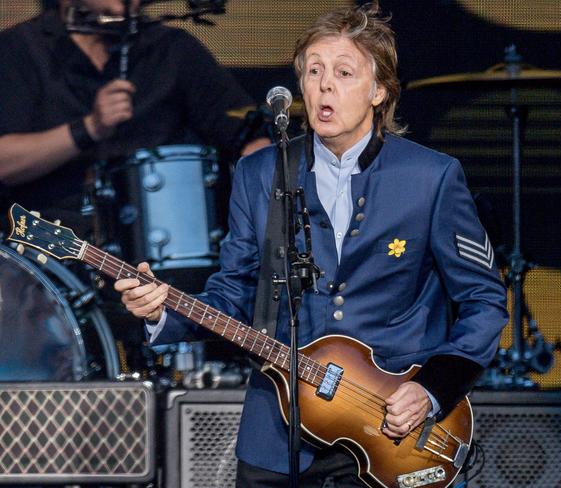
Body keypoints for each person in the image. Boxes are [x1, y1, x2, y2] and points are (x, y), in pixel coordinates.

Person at [115, 3, 509, 487]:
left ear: (379, 90)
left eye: (344, 72)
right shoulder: (261, 174)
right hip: (277, 437)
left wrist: (430, 390)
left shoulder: (431, 177)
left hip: (392, 429)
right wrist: (162, 309)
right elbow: (234, 293)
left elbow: (484, 300)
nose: (324, 85)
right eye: (313, 70)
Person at [0, 0, 268, 232]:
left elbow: (249, 135)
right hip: (49, 249)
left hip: (164, 247)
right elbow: (5, 163)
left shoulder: (172, 48)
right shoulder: (19, 48)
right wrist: (89, 127)